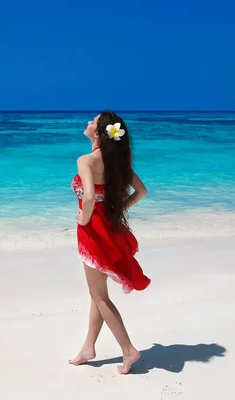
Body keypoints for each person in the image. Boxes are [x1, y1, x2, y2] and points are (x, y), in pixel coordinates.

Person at [68, 110, 151, 375]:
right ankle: (88, 348)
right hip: (112, 231)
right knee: (98, 294)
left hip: (93, 233)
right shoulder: (117, 164)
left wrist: (84, 220)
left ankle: (128, 350)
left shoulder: (86, 160)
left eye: (92, 121)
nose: (88, 122)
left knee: (99, 297)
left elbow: (89, 196)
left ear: (99, 132)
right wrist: (118, 210)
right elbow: (142, 191)